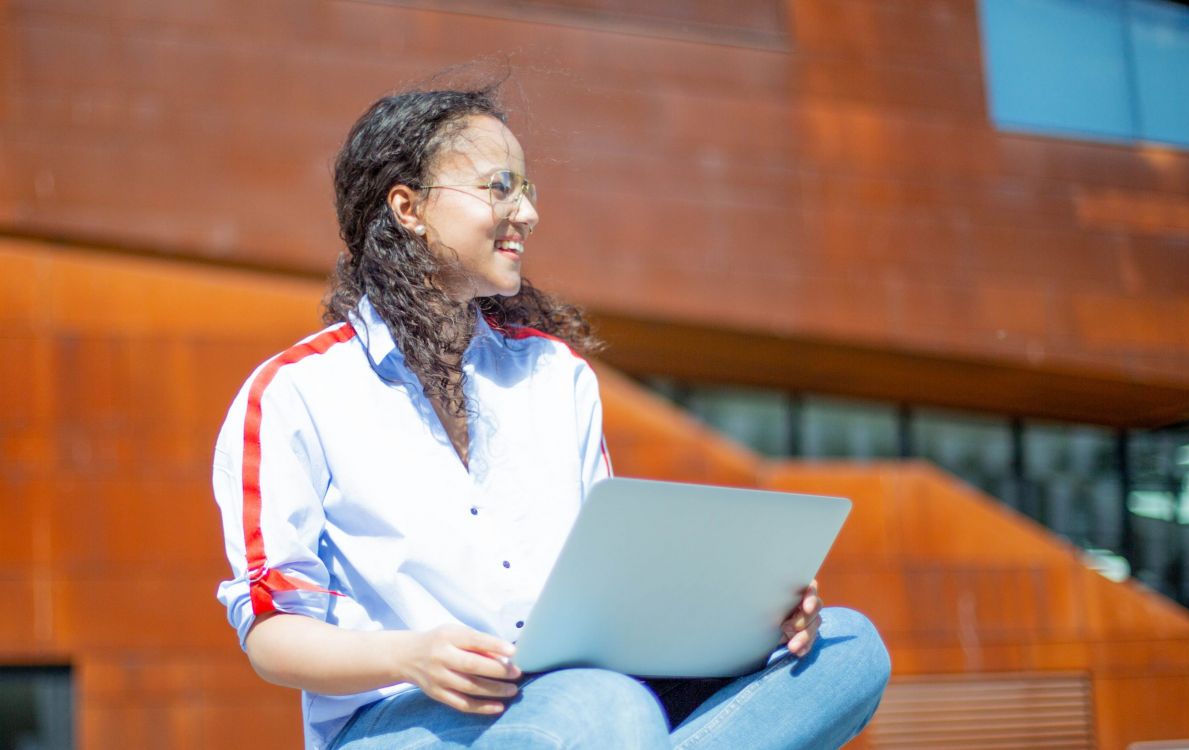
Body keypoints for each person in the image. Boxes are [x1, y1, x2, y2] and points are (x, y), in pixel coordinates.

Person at [211, 84, 890, 750]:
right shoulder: (295, 394)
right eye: (499, 186)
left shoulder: (555, 376)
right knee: (603, 708)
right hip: (406, 720)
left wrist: (748, 619)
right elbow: (273, 636)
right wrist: (411, 655)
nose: (527, 213)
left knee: (848, 649)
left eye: (526, 190)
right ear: (408, 207)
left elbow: (610, 582)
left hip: (582, 696)